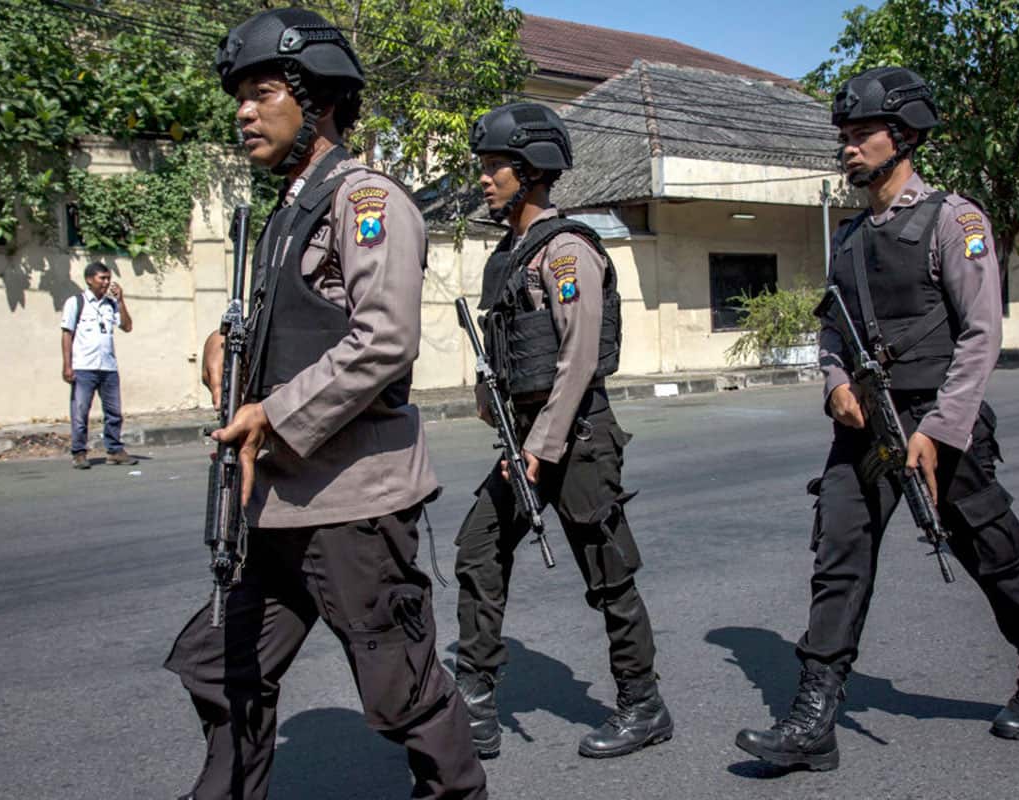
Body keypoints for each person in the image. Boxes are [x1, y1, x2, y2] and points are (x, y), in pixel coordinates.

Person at [163, 9, 486, 798]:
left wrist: (272, 414)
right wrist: (219, 349)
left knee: (401, 689)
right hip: (274, 501)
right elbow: (290, 328)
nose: (243, 111)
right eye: (239, 95)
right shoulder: (285, 213)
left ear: (319, 102)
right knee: (221, 665)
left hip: (349, 504)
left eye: (263, 91)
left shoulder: (365, 199)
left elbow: (382, 341)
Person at [735, 67, 1019, 771]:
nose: (850, 148)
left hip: (939, 421)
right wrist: (833, 382)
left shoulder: (956, 220)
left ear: (906, 136)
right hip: (865, 426)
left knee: (993, 555)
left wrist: (940, 429)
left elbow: (981, 334)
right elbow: (833, 330)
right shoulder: (851, 236)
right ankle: (813, 719)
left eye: (863, 135)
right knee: (838, 561)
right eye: (846, 137)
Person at [451, 102, 673, 760]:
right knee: (477, 551)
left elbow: (577, 363)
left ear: (529, 171)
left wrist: (538, 450)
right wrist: (488, 396)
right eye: (485, 167)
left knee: (607, 572)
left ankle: (644, 704)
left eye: (495, 167)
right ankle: (476, 704)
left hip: (572, 438)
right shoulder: (509, 256)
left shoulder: (568, 251)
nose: (484, 179)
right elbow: (506, 343)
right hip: (527, 438)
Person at [60, 261, 136, 469]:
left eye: (108, 278)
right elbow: (67, 334)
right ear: (89, 280)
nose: (106, 282)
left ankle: (114, 450)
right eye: (102, 278)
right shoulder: (76, 302)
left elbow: (127, 326)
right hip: (84, 366)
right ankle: (79, 452)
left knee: (114, 412)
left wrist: (120, 301)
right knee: (80, 411)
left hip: (108, 367)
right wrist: (67, 365)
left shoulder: (111, 304)